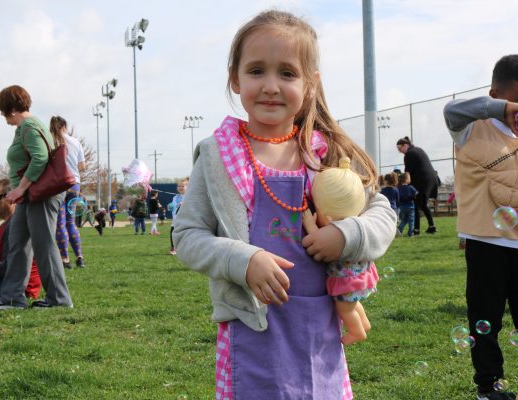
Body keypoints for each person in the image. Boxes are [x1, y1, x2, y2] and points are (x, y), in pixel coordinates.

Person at [172, 10, 396, 399]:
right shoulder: (217, 156)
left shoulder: (326, 154)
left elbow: (382, 213)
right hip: (251, 332)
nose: (271, 86)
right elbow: (187, 235)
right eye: (257, 71)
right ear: (235, 78)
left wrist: (347, 235)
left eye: (287, 74)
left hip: (318, 330)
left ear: (311, 85)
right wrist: (242, 260)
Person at [443, 54, 518, 400]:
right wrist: (498, 110)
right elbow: (451, 111)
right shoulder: (471, 128)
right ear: (496, 95)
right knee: (485, 319)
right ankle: (489, 386)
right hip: (486, 242)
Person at [0, 85, 72, 310]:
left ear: (12, 108)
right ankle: (12, 299)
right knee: (17, 244)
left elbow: (40, 158)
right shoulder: (23, 128)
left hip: (40, 196)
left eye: (3, 111)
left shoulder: (30, 126)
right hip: (30, 198)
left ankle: (59, 300)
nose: (2, 116)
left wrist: (20, 188)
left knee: (44, 246)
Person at [301, 157, 378, 345]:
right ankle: (364, 322)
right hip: (361, 275)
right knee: (352, 303)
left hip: (347, 281)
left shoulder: (333, 230)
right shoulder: (352, 221)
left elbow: (311, 240)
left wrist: (310, 225)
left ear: (327, 217)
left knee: (344, 309)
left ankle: (356, 331)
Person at [51, 116, 86, 269]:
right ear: (64, 125)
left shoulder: (51, 142)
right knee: (71, 222)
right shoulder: (75, 142)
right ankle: (79, 257)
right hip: (74, 185)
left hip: (58, 186)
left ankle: (65, 259)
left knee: (60, 223)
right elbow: (82, 166)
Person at [396, 136, 438, 235]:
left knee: (415, 205)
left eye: (399, 148)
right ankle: (432, 226)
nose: (399, 151)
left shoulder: (409, 154)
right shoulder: (418, 149)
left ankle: (416, 230)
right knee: (423, 204)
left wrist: (401, 184)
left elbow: (408, 173)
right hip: (431, 179)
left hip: (423, 180)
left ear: (405, 145)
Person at [168, 178, 188, 255]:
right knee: (173, 232)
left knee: (185, 234)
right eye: (179, 186)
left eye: (182, 186)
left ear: (187, 187)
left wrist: (184, 203)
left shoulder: (189, 197)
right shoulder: (175, 197)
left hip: (185, 219)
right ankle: (173, 248)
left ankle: (185, 248)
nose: (180, 187)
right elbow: (173, 206)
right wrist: (170, 206)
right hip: (176, 219)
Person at [397, 173, 418, 237]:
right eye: (409, 178)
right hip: (410, 206)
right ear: (406, 180)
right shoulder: (411, 187)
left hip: (402, 207)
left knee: (404, 219)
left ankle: (399, 230)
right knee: (411, 220)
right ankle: (410, 233)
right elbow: (416, 194)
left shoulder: (399, 188)